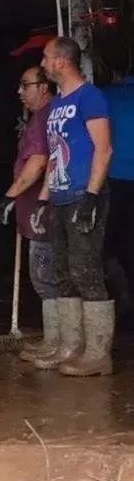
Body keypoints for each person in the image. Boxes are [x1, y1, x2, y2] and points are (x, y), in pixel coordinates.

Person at [31, 37, 114, 376]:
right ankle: (70, 347)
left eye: (47, 57)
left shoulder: (90, 97)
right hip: (61, 197)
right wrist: (44, 199)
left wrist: (92, 196)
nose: (44, 62)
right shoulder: (56, 106)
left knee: (86, 271)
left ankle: (98, 354)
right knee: (63, 273)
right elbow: (55, 155)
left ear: (62, 61)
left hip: (83, 195)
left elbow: (103, 149)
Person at [0, 66, 59, 361]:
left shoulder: (45, 117)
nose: (19, 92)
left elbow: (38, 162)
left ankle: (57, 342)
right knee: (47, 277)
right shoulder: (38, 119)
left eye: (25, 85)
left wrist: (10, 195)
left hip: (44, 213)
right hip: (37, 212)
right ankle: (55, 339)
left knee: (47, 278)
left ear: (44, 87)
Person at [102, 72, 134, 326]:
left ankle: (123, 298)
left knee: (108, 245)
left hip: (115, 178)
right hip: (118, 179)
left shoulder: (108, 94)